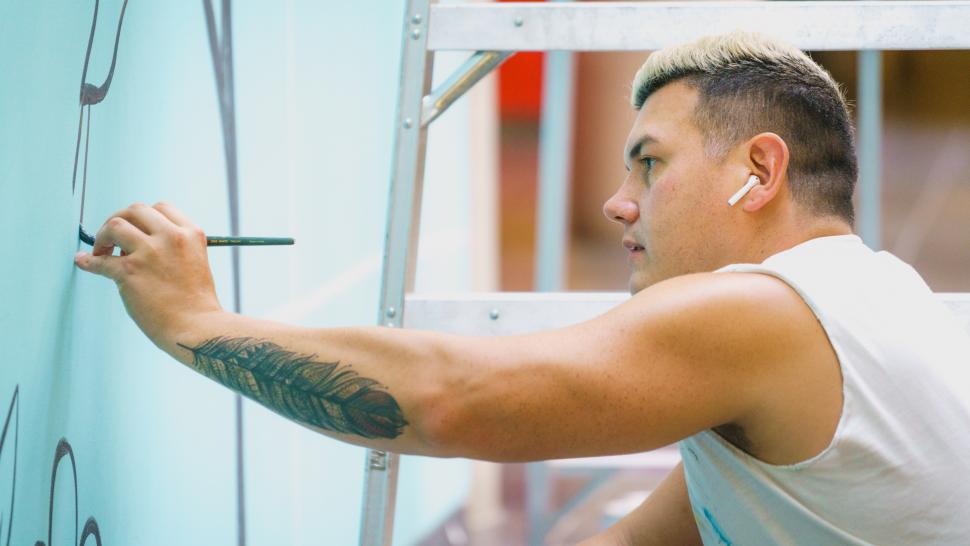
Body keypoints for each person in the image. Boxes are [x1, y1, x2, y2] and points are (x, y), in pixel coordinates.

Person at [75, 31, 970, 545]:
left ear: (758, 170)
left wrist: (193, 321)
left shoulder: (764, 310)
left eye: (650, 164)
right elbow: (643, 540)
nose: (620, 204)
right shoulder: (875, 293)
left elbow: (459, 401)